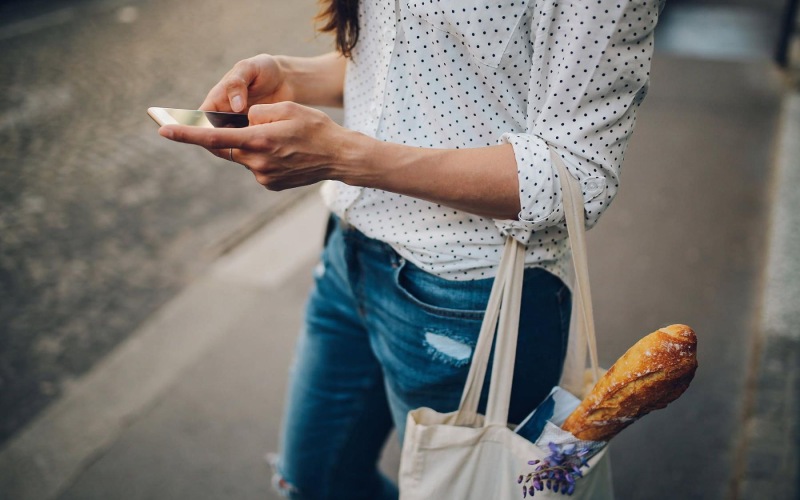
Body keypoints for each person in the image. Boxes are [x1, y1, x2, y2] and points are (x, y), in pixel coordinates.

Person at [159, 1, 663, 498]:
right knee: (312, 482)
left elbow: (577, 173)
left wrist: (343, 155)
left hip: (471, 297)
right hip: (348, 254)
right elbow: (415, 57)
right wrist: (288, 75)